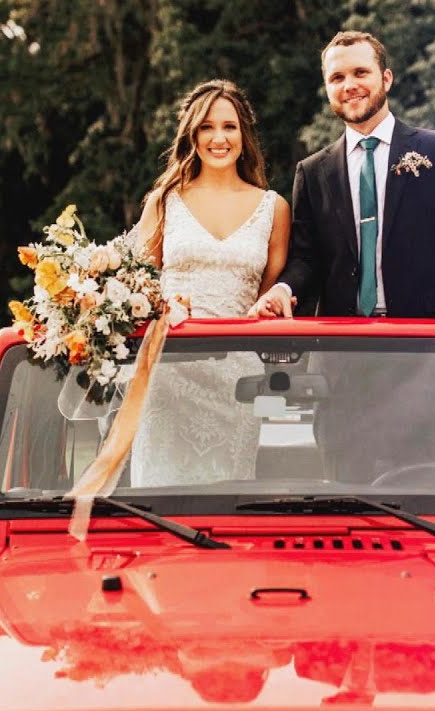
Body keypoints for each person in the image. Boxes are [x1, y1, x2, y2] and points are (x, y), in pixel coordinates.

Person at [248, 30, 435, 336]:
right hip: (341, 343)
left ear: (387, 78)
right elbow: (305, 258)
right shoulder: (312, 172)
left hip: (431, 339)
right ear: (327, 89)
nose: (349, 85)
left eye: (360, 72)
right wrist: (283, 289)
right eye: (337, 78)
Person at [126, 80, 290, 487]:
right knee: (159, 495)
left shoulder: (274, 208)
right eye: (207, 127)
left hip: (235, 380)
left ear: (244, 134)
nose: (219, 138)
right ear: (192, 135)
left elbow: (266, 296)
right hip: (167, 373)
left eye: (230, 126)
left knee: (226, 496)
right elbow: (135, 285)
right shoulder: (164, 201)